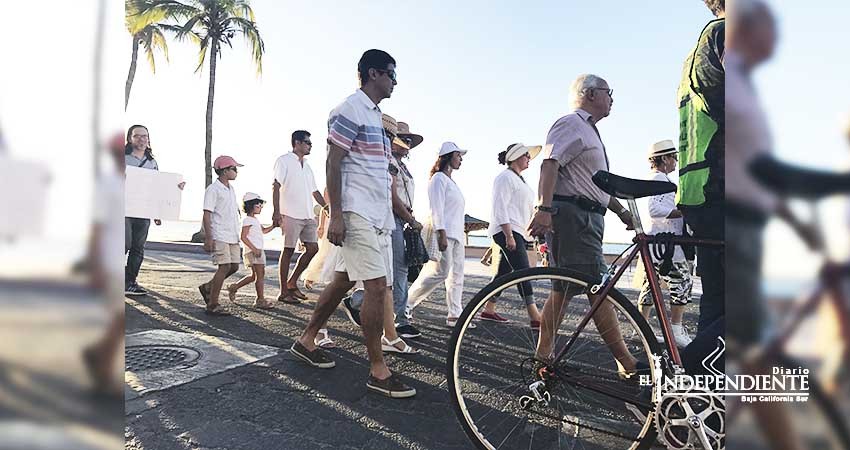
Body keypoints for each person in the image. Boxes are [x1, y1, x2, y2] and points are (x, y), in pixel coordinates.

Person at [290, 49, 417, 398]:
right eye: (392, 73)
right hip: (357, 212)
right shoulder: (349, 109)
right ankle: (378, 370)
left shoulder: (375, 116)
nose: (395, 81)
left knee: (343, 281)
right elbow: (334, 161)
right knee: (377, 288)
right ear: (373, 73)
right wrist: (338, 214)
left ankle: (306, 339)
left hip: (376, 216)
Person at [528, 74, 640, 375]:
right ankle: (626, 363)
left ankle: (542, 357)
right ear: (589, 94)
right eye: (608, 92)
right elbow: (550, 163)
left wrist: (618, 210)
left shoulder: (589, 131)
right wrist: (543, 208)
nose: (612, 98)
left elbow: (593, 184)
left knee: (563, 290)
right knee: (597, 287)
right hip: (574, 217)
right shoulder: (571, 123)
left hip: (586, 216)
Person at [341, 116, 425, 340]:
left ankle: (358, 300)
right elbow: (392, 197)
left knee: (394, 272)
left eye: (408, 140)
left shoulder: (399, 165)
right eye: (402, 138)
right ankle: (399, 320)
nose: (406, 144)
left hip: (399, 218)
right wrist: (410, 218)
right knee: (396, 271)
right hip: (392, 217)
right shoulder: (388, 164)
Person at [675, 0, 725, 334]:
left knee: (719, 299)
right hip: (721, 182)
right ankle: (699, 375)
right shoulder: (725, 34)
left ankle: (703, 379)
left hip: (700, 184)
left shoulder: (697, 49)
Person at [83, 132, 128, 397]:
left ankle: (97, 353)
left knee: (118, 319)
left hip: (117, 258)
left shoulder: (125, 184)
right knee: (118, 317)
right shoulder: (107, 184)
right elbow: (96, 227)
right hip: (108, 260)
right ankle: (102, 374)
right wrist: (94, 265)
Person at [480, 143, 544, 329]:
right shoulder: (505, 177)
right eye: (526, 155)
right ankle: (535, 316)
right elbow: (500, 207)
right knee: (523, 272)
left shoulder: (519, 179)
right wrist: (509, 235)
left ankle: (488, 309)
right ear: (515, 157)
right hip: (508, 230)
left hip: (518, 231)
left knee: (503, 274)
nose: (529, 159)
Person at [638, 140, 693, 348]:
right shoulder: (662, 180)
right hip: (666, 243)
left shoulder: (655, 179)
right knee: (683, 282)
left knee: (650, 286)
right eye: (674, 157)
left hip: (654, 243)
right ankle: (676, 330)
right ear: (664, 158)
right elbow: (655, 209)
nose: (676, 162)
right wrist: (685, 211)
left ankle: (642, 327)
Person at [407, 142, 469, 328]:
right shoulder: (438, 179)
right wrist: (441, 232)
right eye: (458, 155)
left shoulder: (451, 181)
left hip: (457, 234)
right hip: (446, 233)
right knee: (439, 272)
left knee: (456, 275)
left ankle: (454, 315)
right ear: (449, 156)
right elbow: (436, 209)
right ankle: (406, 304)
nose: (461, 159)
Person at [124, 124, 185, 296]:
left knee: (138, 248)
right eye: (137, 136)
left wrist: (175, 189)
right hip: (123, 210)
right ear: (130, 138)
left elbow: (158, 187)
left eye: (145, 136)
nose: (142, 139)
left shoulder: (152, 162)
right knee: (124, 243)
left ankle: (129, 282)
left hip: (144, 211)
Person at [272, 130, 327, 304]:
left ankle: (292, 282)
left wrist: (327, 208)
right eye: (307, 142)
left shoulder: (308, 166)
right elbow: (276, 185)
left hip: (307, 214)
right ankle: (283, 291)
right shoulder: (284, 161)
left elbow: (315, 191)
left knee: (313, 249)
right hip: (289, 213)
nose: (310, 145)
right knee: (288, 250)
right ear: (297, 143)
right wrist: (276, 211)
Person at [198, 155, 244, 316]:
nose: (236, 171)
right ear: (225, 171)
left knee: (234, 266)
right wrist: (209, 237)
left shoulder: (231, 189)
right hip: (219, 234)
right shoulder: (213, 189)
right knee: (224, 266)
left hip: (232, 235)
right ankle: (213, 304)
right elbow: (207, 214)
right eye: (234, 169)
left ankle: (208, 287)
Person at [226, 193, 277, 309]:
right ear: (250, 206)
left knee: (254, 276)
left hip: (256, 250)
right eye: (258, 205)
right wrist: (254, 249)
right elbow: (243, 237)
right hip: (254, 251)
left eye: (260, 205)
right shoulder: (247, 220)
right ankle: (260, 300)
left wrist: (274, 226)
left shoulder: (254, 220)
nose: (260, 207)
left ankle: (234, 287)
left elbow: (263, 231)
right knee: (260, 275)